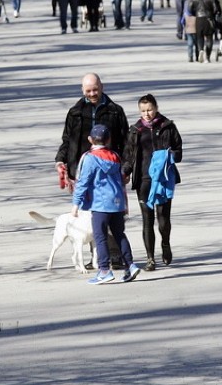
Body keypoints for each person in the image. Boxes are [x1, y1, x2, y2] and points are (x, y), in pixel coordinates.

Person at [56, 73, 130, 270]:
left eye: (95, 89)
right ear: (82, 90)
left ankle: (115, 255)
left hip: (109, 170)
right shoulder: (75, 112)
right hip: (82, 171)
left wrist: (127, 166)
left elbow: (126, 142)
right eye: (88, 91)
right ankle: (97, 257)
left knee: (111, 211)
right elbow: (67, 140)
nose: (92, 94)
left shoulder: (115, 111)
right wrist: (61, 160)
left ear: (102, 87)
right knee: (89, 216)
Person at [71, 124, 141, 285]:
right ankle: (130, 265)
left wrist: (76, 204)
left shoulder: (89, 158)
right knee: (119, 234)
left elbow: (82, 182)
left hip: (100, 204)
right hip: (117, 202)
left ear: (90, 140)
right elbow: (121, 177)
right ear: (108, 140)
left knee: (100, 237)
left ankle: (104, 270)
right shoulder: (115, 156)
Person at [122, 94, 182, 271]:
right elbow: (128, 156)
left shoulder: (168, 127)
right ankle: (150, 259)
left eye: (149, 110)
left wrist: (170, 155)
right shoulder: (135, 130)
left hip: (163, 179)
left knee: (163, 218)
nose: (146, 114)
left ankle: (165, 243)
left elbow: (179, 151)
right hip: (143, 180)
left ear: (156, 108)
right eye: (143, 111)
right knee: (147, 220)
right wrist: (124, 172)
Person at [189, 0, 220, 64]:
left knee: (199, 37)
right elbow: (215, 9)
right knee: (209, 38)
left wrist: (195, 13)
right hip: (208, 19)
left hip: (199, 19)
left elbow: (190, 8)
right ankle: (208, 56)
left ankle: (201, 50)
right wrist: (212, 14)